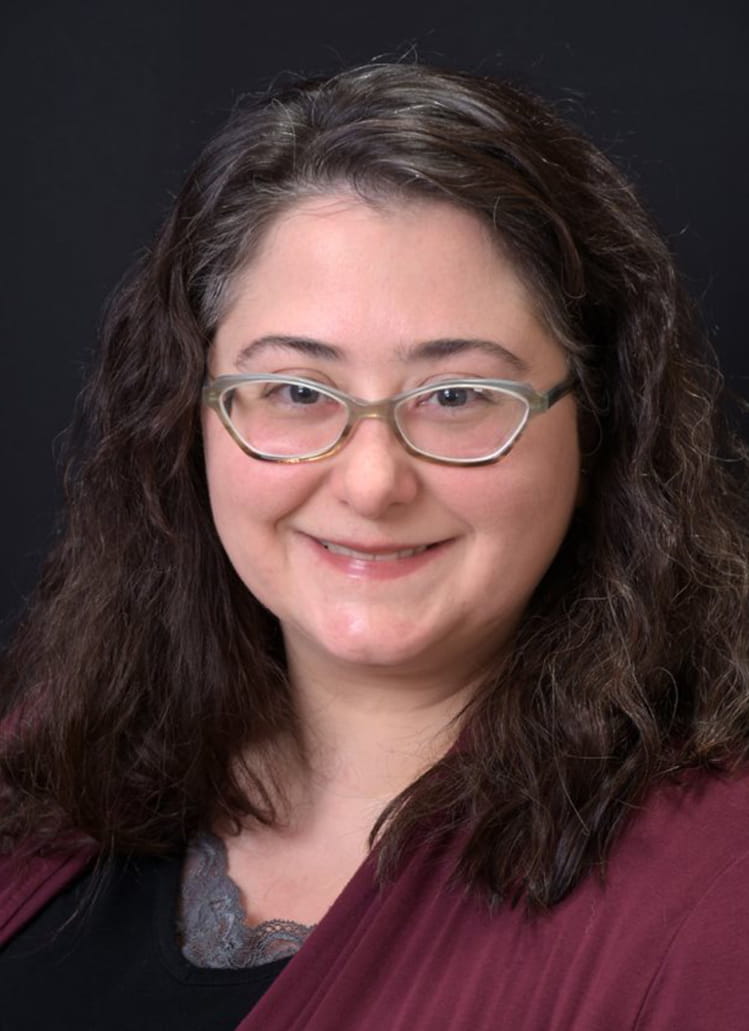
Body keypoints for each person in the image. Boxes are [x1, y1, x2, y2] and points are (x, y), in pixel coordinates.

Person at [1, 61, 748, 1030]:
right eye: (295, 391)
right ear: (190, 413)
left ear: (598, 421)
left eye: (457, 395)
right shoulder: (49, 762)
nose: (369, 482)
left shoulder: (716, 901)